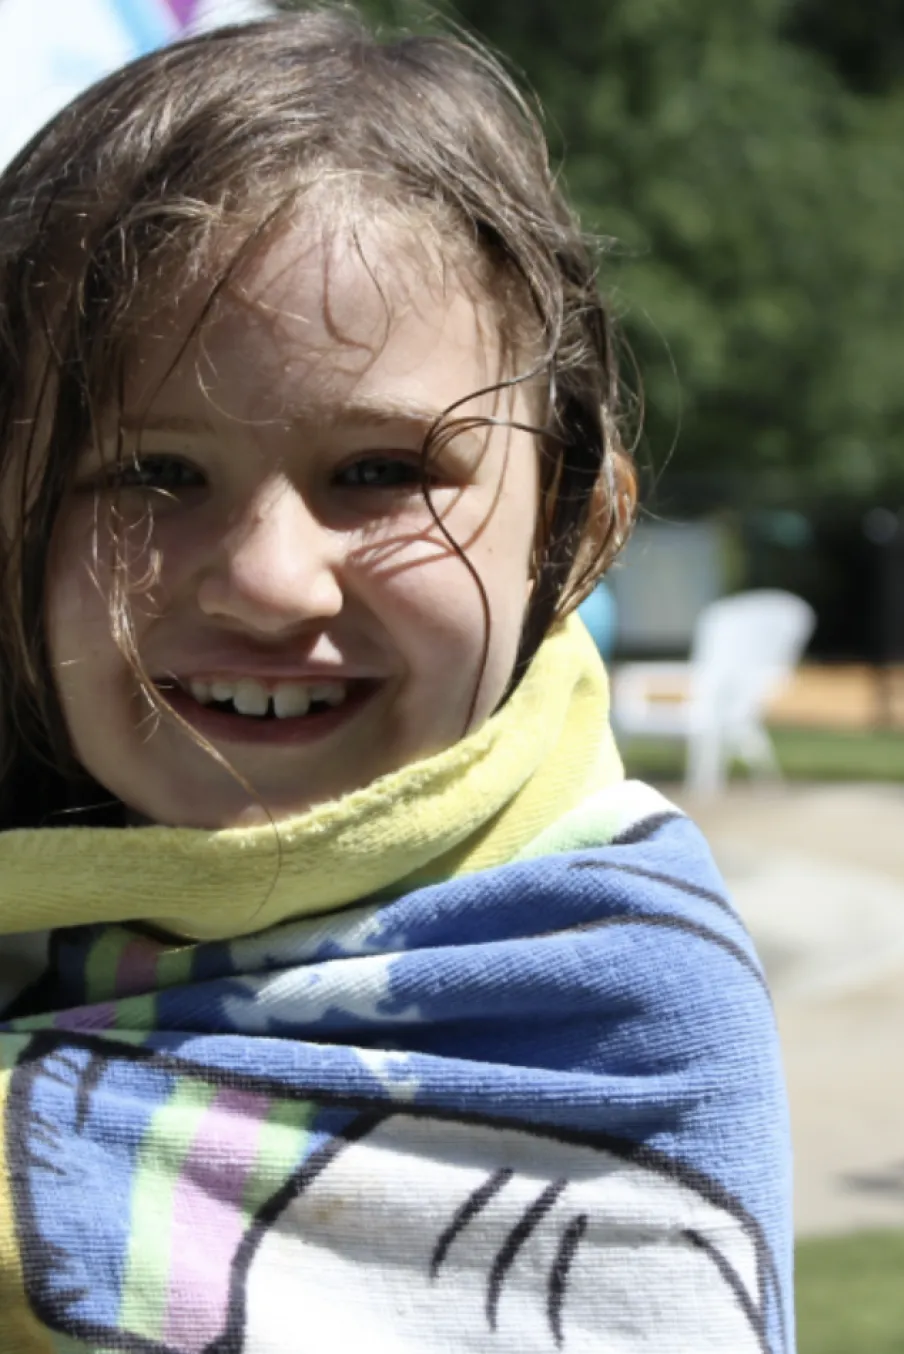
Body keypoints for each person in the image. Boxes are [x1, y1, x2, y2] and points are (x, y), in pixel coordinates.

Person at [0, 10, 793, 1352]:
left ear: (575, 517)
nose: (269, 580)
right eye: (151, 473)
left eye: (379, 472)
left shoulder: (604, 999)